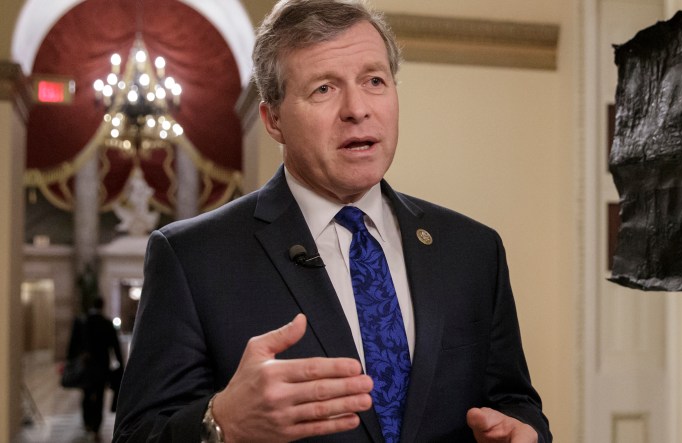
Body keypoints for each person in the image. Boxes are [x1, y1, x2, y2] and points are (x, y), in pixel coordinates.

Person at [114, 1, 551, 442]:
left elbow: (515, 401)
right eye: (324, 88)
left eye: (374, 81)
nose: (357, 109)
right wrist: (221, 422)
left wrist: (525, 431)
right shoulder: (193, 258)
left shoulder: (473, 250)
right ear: (273, 120)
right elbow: (137, 435)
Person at [66, 296, 124, 441]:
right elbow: (115, 347)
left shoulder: (82, 322)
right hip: (101, 367)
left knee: (86, 394)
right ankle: (96, 427)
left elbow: (73, 346)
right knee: (99, 397)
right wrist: (121, 365)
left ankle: (87, 423)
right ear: (103, 306)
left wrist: (70, 361)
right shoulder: (106, 323)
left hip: (86, 367)